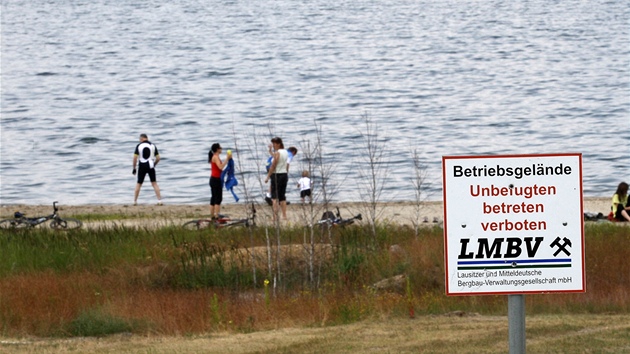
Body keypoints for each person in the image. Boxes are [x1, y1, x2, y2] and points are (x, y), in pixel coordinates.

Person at [132, 134, 162, 205]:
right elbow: (158, 158)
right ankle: (159, 200)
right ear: (147, 138)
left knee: (139, 183)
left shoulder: (139, 146)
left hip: (142, 166)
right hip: (151, 165)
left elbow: (135, 158)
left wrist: (134, 168)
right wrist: (154, 164)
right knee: (154, 183)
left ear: (141, 139)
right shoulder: (153, 146)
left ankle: (135, 201)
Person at [265, 137, 289, 221]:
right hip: (284, 174)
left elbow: (274, 164)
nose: (274, 145)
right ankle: (284, 215)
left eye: (275, 144)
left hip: (277, 175)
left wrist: (268, 176)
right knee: (282, 196)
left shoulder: (278, 152)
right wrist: (270, 151)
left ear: (279, 144)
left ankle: (275, 216)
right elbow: (276, 157)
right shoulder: (285, 152)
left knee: (274, 197)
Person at [209, 143, 232, 218]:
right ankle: (217, 216)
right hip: (215, 180)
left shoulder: (216, 157)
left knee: (213, 198)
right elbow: (220, 167)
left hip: (213, 179)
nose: (221, 149)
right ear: (217, 149)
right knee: (218, 199)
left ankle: (213, 216)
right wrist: (227, 159)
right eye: (220, 148)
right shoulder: (215, 157)